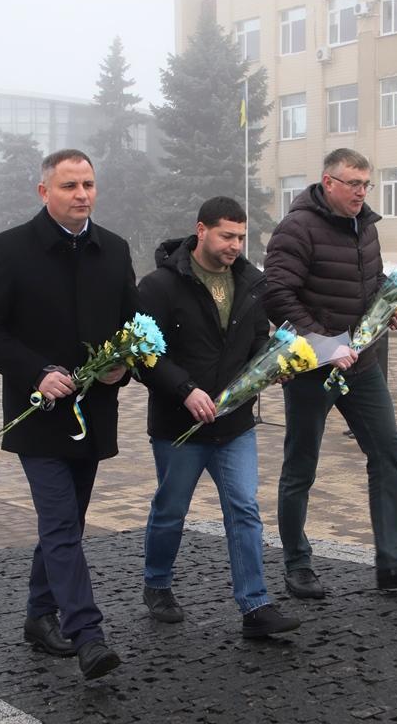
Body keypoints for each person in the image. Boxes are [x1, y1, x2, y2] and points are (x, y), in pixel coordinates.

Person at [0, 148, 136, 681]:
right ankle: (88, 633)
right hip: (37, 413)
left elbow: (130, 328)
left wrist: (120, 369)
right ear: (45, 192)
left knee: (67, 525)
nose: (81, 194)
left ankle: (39, 615)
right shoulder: (12, 248)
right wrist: (35, 371)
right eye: (69, 186)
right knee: (61, 522)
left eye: (88, 184)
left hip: (94, 414)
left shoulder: (114, 249)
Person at [264, 148, 397, 599]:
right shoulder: (296, 228)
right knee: (301, 465)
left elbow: (371, 283)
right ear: (328, 183)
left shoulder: (366, 227)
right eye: (353, 184)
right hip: (313, 368)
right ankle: (297, 564)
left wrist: (390, 309)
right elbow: (277, 295)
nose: (362, 193)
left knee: (388, 451)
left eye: (367, 184)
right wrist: (325, 345)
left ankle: (393, 562)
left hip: (362, 365)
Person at [137, 196, 301, 638]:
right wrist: (184, 389)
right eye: (227, 235)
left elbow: (256, 341)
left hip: (234, 425)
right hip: (179, 425)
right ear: (201, 230)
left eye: (241, 237)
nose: (235, 245)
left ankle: (255, 605)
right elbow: (142, 355)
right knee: (171, 510)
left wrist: (272, 367)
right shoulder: (160, 286)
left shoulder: (252, 282)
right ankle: (157, 583)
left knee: (244, 510)